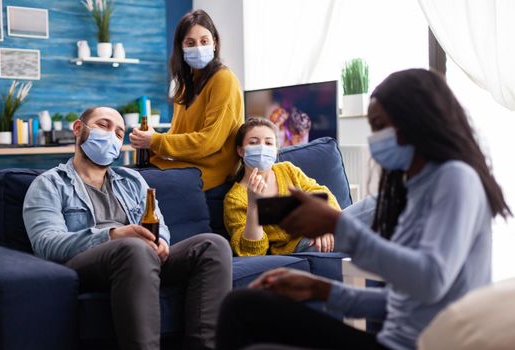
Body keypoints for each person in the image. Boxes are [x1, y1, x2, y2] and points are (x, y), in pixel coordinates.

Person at [215, 69, 512, 350]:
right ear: (241, 149)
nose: (375, 138)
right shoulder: (416, 187)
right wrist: (320, 290)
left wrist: (337, 225)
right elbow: (401, 303)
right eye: (374, 128)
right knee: (242, 305)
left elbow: (431, 281)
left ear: (418, 119)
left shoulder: (455, 178)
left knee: (247, 319)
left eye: (381, 126)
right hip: (390, 338)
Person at [23, 107, 232, 350]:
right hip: (86, 264)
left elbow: (159, 224)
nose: (112, 135)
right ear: (79, 129)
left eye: (119, 133)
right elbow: (46, 243)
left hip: (140, 259)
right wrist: (112, 236)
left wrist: (161, 241)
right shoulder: (49, 184)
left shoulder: (133, 180)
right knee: (133, 247)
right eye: (104, 125)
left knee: (212, 245)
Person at [129, 9, 244, 191]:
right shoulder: (184, 86)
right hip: (183, 165)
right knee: (120, 177)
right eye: (190, 43)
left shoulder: (224, 79)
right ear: (181, 48)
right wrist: (148, 139)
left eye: (204, 41)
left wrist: (155, 141)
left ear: (214, 43)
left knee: (129, 183)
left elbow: (210, 142)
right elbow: (177, 134)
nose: (198, 47)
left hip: (211, 171)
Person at [223, 117, 339, 256]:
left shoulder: (287, 170)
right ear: (241, 151)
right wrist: (253, 205)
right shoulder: (235, 199)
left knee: (370, 208)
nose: (262, 148)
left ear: (276, 150)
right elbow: (251, 252)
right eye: (254, 142)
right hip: (300, 245)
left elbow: (322, 193)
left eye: (268, 143)